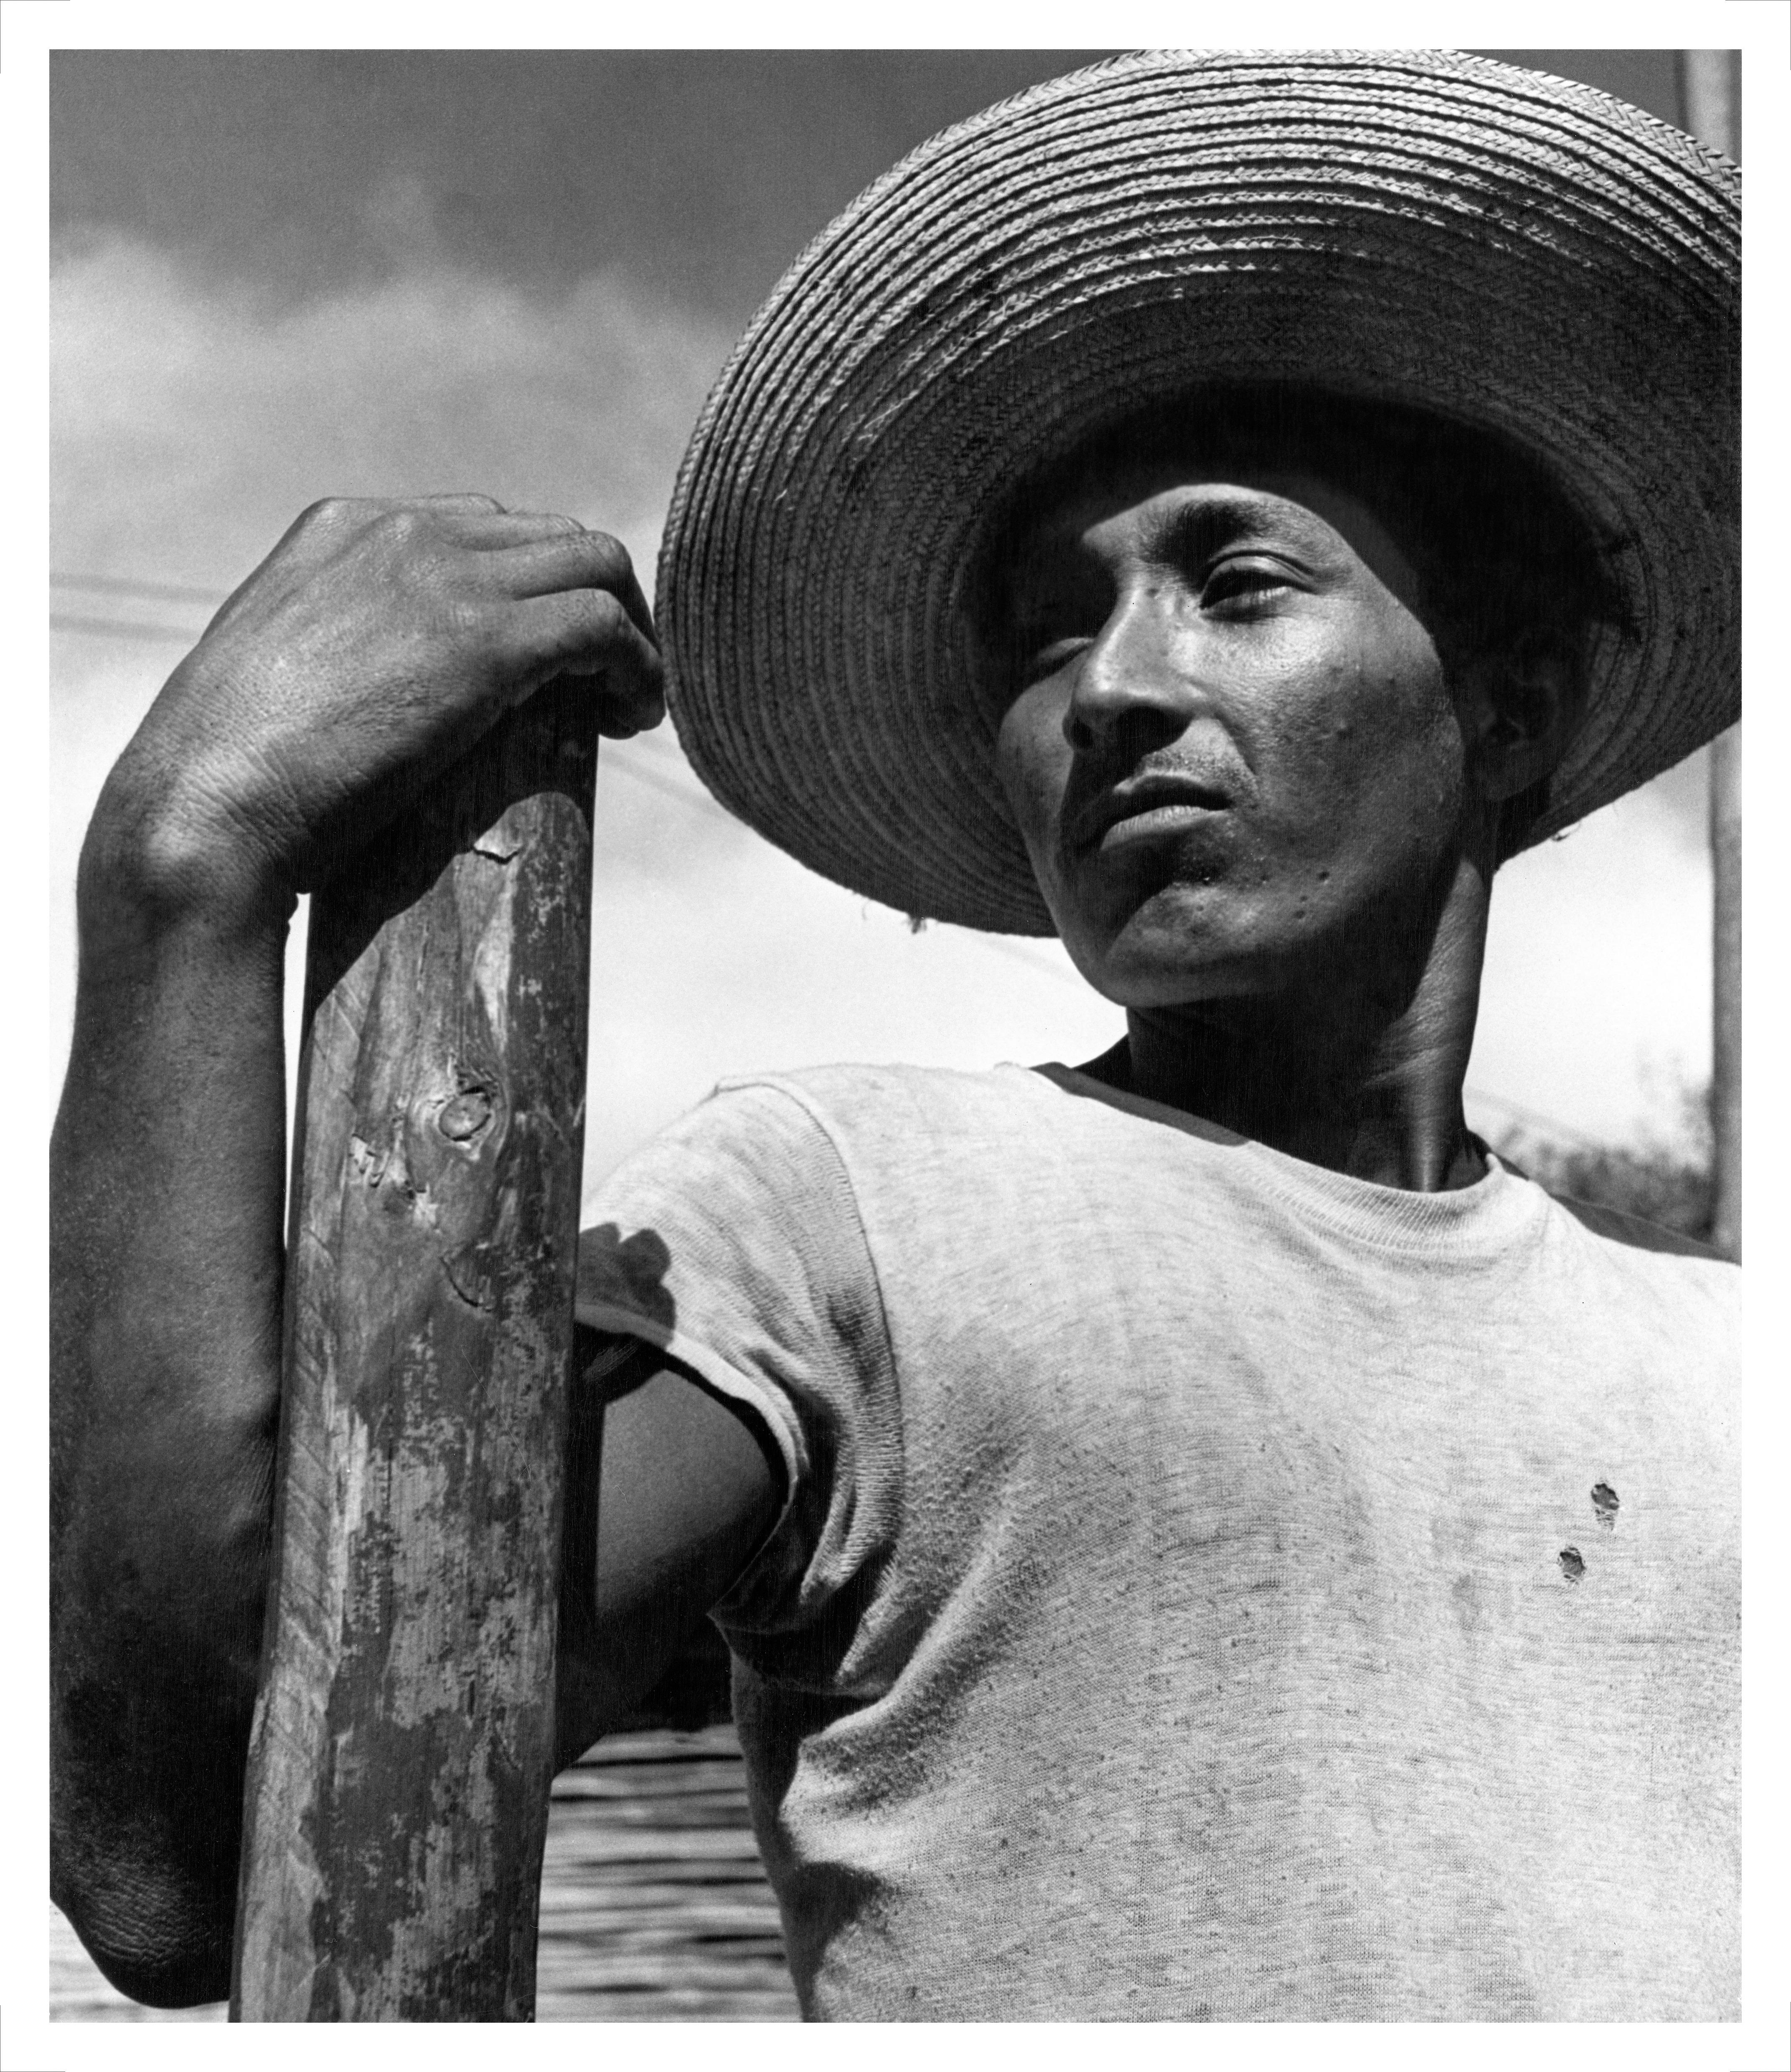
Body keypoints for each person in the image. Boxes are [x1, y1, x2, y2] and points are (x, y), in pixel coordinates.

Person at [51, 51, 1739, 2021]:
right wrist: (180, 875)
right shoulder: (849, 1216)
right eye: (1043, 631)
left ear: (1511, 711)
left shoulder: (1724, 1366)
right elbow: (192, 1853)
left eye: (1239, 581)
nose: (1114, 683)